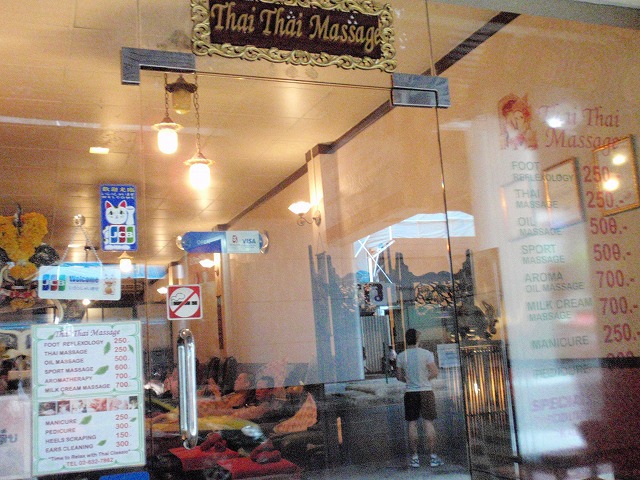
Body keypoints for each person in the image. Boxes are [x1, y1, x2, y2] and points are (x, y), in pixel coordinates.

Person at [396, 328, 444, 468]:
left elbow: (399, 376)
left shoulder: (401, 356)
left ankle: (415, 458)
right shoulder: (427, 354)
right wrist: (424, 379)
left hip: (410, 392)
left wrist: (409, 381)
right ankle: (433, 457)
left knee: (412, 424)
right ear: (417, 339)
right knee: (428, 423)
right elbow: (434, 372)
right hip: (426, 391)